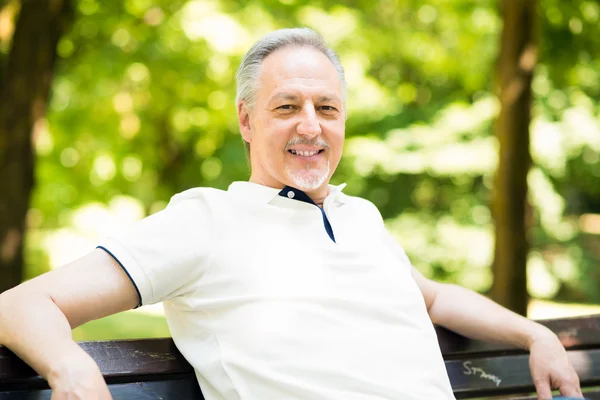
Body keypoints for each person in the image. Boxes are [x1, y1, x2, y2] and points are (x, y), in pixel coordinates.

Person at [0, 28, 583, 400]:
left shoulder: (362, 220)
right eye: (287, 107)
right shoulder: (206, 221)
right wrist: (70, 370)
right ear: (247, 121)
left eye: (327, 107)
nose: (311, 124)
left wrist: (534, 333)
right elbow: (23, 303)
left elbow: (431, 299)